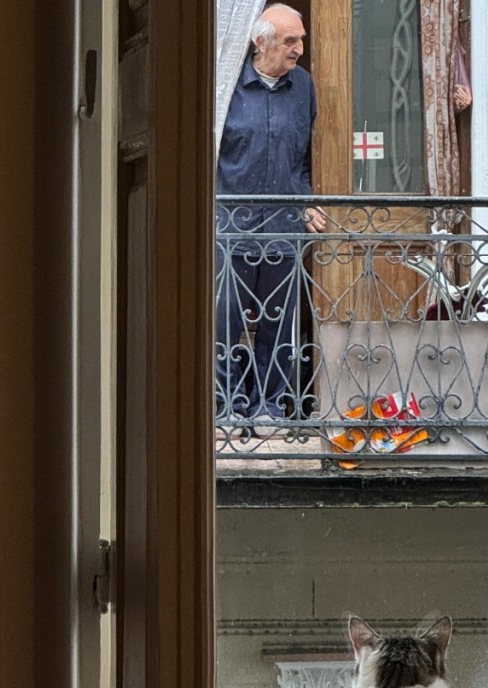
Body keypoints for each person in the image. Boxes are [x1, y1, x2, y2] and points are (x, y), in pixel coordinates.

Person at [215, 3, 326, 434]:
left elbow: (303, 160)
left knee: (278, 325)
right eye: (290, 41)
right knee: (225, 320)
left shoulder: (304, 88)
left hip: (282, 225)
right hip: (230, 225)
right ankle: (224, 411)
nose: (299, 48)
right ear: (260, 43)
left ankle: (270, 411)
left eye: (301, 39)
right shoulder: (229, 87)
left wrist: (307, 203)